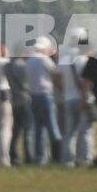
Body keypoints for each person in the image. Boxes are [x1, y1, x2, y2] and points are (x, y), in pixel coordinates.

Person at [24, 38, 63, 166]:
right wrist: (61, 88)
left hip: (33, 97)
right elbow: (55, 74)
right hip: (46, 96)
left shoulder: (29, 61)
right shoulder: (44, 60)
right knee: (52, 127)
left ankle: (40, 158)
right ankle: (57, 156)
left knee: (38, 129)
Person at [59, 31, 94, 167]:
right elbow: (89, 82)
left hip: (68, 98)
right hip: (83, 99)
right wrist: (85, 98)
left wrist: (65, 90)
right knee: (86, 131)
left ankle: (67, 161)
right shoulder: (86, 61)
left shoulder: (65, 60)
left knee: (69, 132)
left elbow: (56, 77)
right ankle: (85, 159)